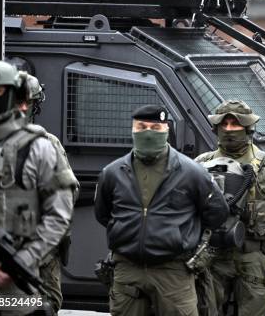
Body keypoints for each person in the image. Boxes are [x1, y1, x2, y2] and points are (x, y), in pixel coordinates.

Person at [94, 104, 229, 316]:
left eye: (155, 128)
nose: (148, 132)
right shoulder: (112, 173)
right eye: (142, 127)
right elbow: (103, 214)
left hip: (173, 272)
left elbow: (217, 213)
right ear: (133, 130)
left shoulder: (191, 172)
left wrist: (182, 236)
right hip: (127, 271)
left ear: (166, 130)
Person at [0, 59, 76, 315]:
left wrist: (22, 259)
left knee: (40, 305)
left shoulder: (41, 145)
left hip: (20, 263)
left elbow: (60, 209)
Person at [195, 100, 265, 316]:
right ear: (215, 127)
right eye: (224, 124)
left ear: (248, 128)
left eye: (235, 124)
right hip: (213, 257)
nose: (228, 130)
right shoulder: (201, 165)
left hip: (255, 257)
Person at [16, 72, 79, 315]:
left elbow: (67, 195)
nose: (20, 109)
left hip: (40, 249)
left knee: (47, 305)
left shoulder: (47, 144)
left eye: (25, 103)